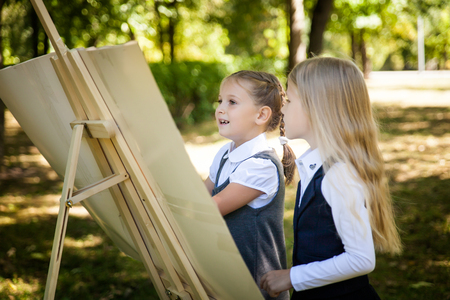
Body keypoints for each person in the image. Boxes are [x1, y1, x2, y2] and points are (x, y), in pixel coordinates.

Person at [260, 57, 402, 299]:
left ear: (318, 108)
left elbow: (361, 259)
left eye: (289, 101)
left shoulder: (338, 175)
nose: (282, 108)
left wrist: (292, 276)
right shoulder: (315, 167)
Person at [204, 70, 295, 300]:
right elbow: (200, 196)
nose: (220, 109)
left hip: (254, 284)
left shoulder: (260, 166)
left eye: (232, 102)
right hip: (226, 275)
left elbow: (208, 208)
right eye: (220, 101)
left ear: (261, 115)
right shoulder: (225, 153)